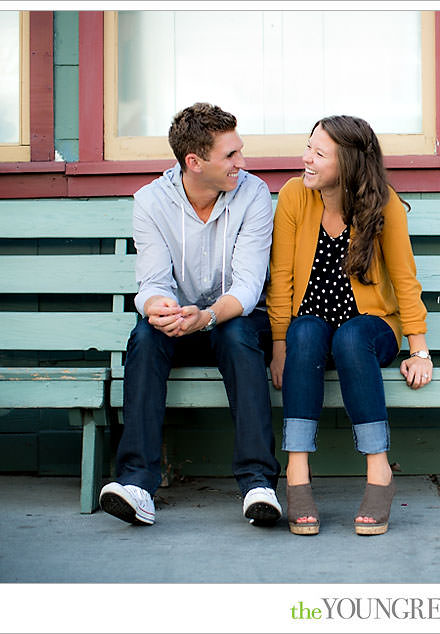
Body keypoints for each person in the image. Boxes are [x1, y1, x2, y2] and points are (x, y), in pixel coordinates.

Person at [99, 103, 282, 527]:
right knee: (145, 337)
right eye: (231, 155)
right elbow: (152, 282)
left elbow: (249, 286)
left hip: (233, 316)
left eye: (240, 151)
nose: (243, 162)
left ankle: (258, 484)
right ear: (194, 162)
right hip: (177, 322)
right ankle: (137, 485)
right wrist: (158, 308)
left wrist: (207, 317)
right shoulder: (150, 201)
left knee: (238, 337)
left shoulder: (252, 193)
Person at [268, 115, 433, 536]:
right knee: (305, 330)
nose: (306, 159)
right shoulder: (293, 196)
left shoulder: (384, 204)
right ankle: (296, 471)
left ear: (349, 165)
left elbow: (404, 277)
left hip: (370, 328)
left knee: (352, 335)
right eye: (308, 147)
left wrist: (418, 349)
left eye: (318, 154)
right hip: (312, 328)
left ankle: (379, 470)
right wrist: (279, 346)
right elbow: (282, 279)